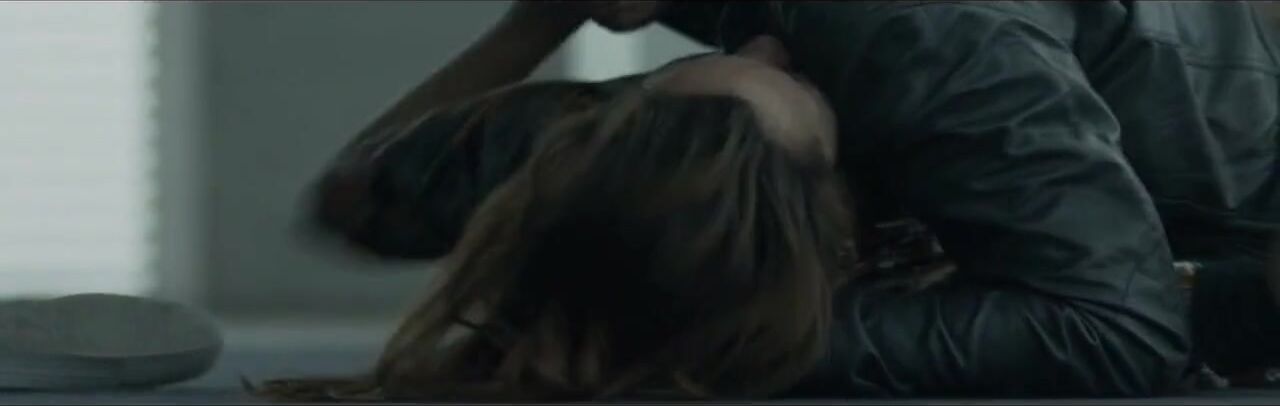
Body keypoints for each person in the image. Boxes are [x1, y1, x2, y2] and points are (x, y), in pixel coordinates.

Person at [272, 0, 1280, 399]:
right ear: (835, 205)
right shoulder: (891, 65)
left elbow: (372, 193)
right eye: (794, 81)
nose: (761, 46)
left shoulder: (646, 141)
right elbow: (367, 197)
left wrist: (537, 23)